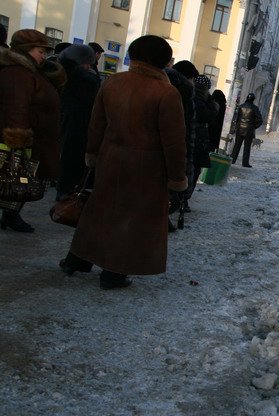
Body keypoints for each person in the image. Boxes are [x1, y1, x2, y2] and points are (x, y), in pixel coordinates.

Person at [60, 35, 187, 289]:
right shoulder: (166, 93)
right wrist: (177, 178)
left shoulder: (112, 82)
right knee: (131, 219)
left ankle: (77, 259)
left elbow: (96, 124)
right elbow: (174, 143)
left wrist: (92, 154)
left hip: (110, 159)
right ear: (162, 60)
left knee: (99, 211)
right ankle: (114, 273)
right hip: (146, 168)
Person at [0, 29, 65, 232]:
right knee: (14, 177)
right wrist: (18, 137)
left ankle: (11, 213)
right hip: (24, 138)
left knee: (19, 179)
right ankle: (10, 214)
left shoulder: (29, 71)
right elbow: (16, 107)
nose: (43, 56)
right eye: (40, 51)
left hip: (35, 137)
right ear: (26, 50)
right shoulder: (18, 73)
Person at [56, 44, 100, 198]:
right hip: (80, 128)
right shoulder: (86, 80)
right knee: (74, 164)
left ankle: (64, 192)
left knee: (67, 162)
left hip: (68, 125)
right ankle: (67, 195)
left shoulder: (63, 76)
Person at [165, 60, 196, 227]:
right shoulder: (181, 92)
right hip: (170, 148)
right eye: (192, 79)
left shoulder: (165, 86)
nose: (193, 83)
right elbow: (182, 127)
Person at [190, 74, 219, 201]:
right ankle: (183, 199)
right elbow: (208, 117)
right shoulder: (200, 101)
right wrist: (214, 107)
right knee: (194, 170)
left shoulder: (189, 96)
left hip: (190, 139)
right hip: (196, 140)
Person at [231, 92, 263, 168]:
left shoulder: (241, 106)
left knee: (237, 145)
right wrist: (254, 126)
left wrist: (235, 127)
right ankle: (245, 163)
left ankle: (232, 160)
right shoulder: (255, 108)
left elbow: (236, 118)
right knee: (247, 147)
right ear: (253, 99)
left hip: (239, 129)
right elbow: (260, 120)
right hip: (249, 131)